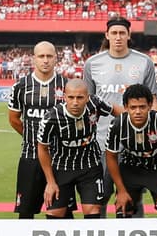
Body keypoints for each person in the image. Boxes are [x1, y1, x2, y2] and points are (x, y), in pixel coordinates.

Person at [83, 16, 157, 217]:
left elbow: (153, 102)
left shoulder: (144, 62)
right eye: (114, 33)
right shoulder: (92, 63)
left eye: (122, 33)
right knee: (98, 200)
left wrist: (154, 135)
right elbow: (88, 104)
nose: (118, 37)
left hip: (134, 145)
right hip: (101, 143)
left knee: (130, 202)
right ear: (107, 35)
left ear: (129, 35)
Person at [36, 79, 121, 219]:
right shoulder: (51, 117)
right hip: (61, 168)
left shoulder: (95, 103)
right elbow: (42, 148)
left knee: (92, 211)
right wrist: (50, 182)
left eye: (80, 97)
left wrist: (132, 121)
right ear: (64, 97)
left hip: (90, 166)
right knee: (55, 214)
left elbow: (116, 110)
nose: (75, 102)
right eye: (71, 97)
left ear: (87, 97)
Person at [7, 41, 69, 219]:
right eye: (41, 56)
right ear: (34, 59)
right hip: (30, 156)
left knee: (60, 214)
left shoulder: (66, 86)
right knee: (26, 213)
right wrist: (34, 138)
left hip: (60, 158)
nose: (45, 60)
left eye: (49, 56)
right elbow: (14, 119)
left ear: (56, 59)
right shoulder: (20, 86)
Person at [105, 84, 157, 218]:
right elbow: (111, 156)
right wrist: (120, 190)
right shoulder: (116, 125)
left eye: (142, 107)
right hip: (130, 168)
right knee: (123, 209)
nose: (137, 112)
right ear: (126, 107)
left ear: (150, 105)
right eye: (133, 107)